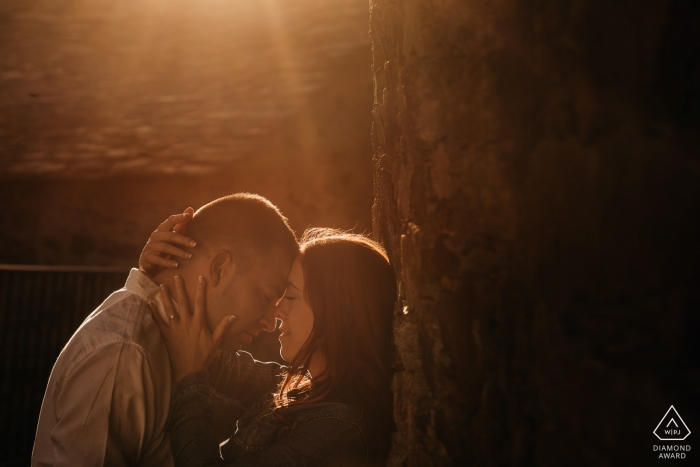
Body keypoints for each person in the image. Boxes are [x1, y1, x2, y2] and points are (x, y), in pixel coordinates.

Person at [32, 194, 299, 467]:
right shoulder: (125, 352)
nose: (270, 323)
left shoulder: (176, 345)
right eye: (267, 297)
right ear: (220, 268)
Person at [149, 228, 397, 466]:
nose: (278, 312)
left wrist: (190, 379)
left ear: (335, 312)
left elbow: (197, 364)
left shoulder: (342, 430)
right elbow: (214, 362)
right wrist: (153, 274)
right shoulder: (306, 387)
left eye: (290, 297)